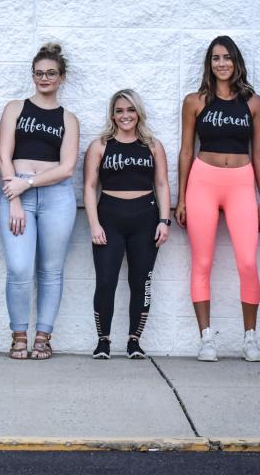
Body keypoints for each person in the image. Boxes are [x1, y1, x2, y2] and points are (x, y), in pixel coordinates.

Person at [175, 36, 260, 362]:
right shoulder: (195, 102)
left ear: (237, 62)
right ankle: (206, 339)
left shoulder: (254, 103)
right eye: (216, 58)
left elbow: (259, 153)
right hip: (202, 182)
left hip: (242, 184)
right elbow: (187, 150)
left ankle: (250, 339)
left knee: (247, 261)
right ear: (209, 64)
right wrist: (181, 197)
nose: (222, 63)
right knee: (202, 262)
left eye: (227, 57)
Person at [0, 43, 79, 360]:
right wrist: (15, 196)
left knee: (51, 271)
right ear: (33, 75)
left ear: (61, 78)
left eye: (51, 73)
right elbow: (4, 155)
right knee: (19, 268)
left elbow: (67, 167)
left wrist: (27, 182)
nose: (44, 78)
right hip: (15, 195)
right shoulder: (16, 108)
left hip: (57, 197)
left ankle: (43, 336)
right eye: (39, 73)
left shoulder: (68, 119)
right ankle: (19, 335)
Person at [83, 89, 170, 360]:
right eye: (119, 111)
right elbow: (89, 187)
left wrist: (164, 221)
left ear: (138, 112)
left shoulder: (152, 145)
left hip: (145, 217)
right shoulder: (100, 145)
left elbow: (162, 184)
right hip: (109, 216)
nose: (125, 116)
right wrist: (94, 225)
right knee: (106, 281)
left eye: (130, 110)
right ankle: (103, 341)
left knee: (141, 281)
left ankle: (134, 341)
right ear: (112, 114)